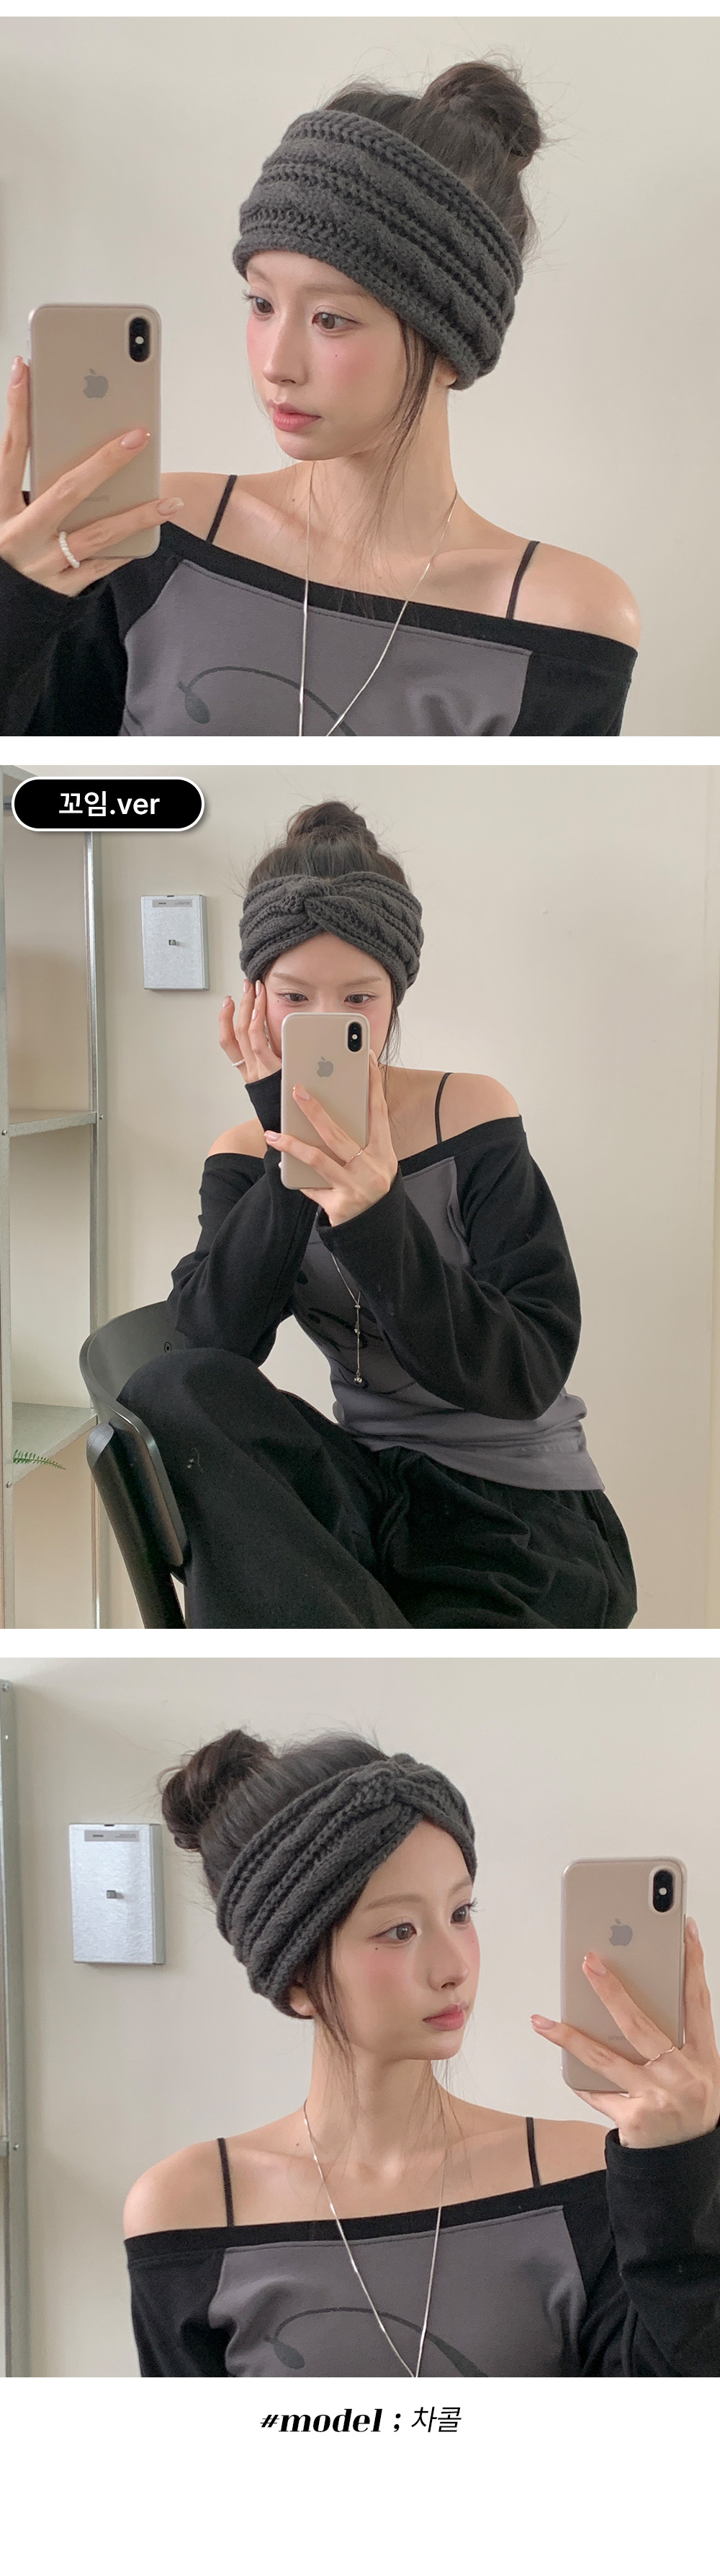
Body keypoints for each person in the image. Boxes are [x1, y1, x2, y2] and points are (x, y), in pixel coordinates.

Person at [118, 799, 636, 1630]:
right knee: (167, 1387)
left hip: (514, 1506)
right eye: (294, 996)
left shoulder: (467, 1113)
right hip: (367, 1486)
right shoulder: (243, 1153)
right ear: (253, 1000)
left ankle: (356, 1646)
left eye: (358, 997)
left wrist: (373, 1216)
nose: (326, 1023)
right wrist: (291, 1149)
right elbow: (211, 1346)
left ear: (395, 996)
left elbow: (526, 1375)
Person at [0, 63, 639, 736]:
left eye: (330, 319)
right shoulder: (152, 537)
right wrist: (16, 601)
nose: (276, 364)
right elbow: (48, 790)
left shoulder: (564, 620)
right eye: (262, 303)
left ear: (451, 348)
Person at [123, 1727, 720, 2376]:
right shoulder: (190, 2205)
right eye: (399, 1929)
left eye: (461, 1912)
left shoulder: (580, 2174)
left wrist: (678, 2168)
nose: (453, 1965)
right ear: (296, 1980)